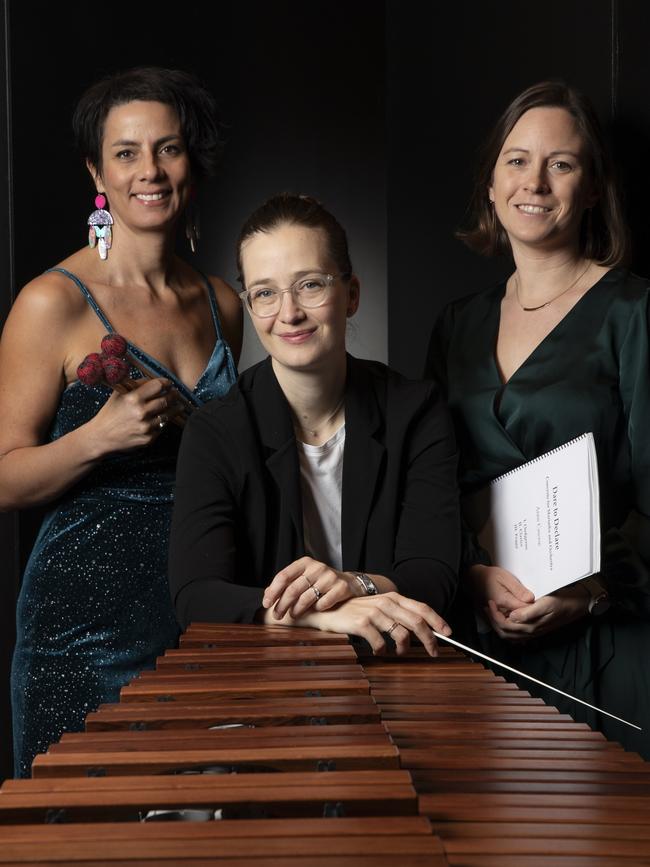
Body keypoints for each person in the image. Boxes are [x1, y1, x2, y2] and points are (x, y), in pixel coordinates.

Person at [0, 67, 242, 777]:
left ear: (190, 164)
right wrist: (96, 438)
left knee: (205, 834)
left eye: (167, 149)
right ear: (96, 172)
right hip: (83, 626)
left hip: (202, 610)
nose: (151, 170)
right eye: (127, 152)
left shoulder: (223, 302)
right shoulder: (53, 302)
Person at [426, 81, 650, 757]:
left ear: (590, 189)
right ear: (491, 185)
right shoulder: (458, 324)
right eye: (517, 160)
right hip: (481, 635)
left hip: (604, 643)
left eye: (562, 163)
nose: (536, 181)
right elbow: (432, 483)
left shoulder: (632, 313)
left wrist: (594, 589)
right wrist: (468, 571)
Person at [169, 193, 459, 653]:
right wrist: (317, 615)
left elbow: (435, 574)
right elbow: (196, 595)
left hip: (396, 667)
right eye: (265, 293)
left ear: (352, 295)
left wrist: (353, 585)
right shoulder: (216, 431)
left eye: (310, 285)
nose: (289, 313)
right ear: (250, 308)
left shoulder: (416, 411)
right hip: (265, 678)